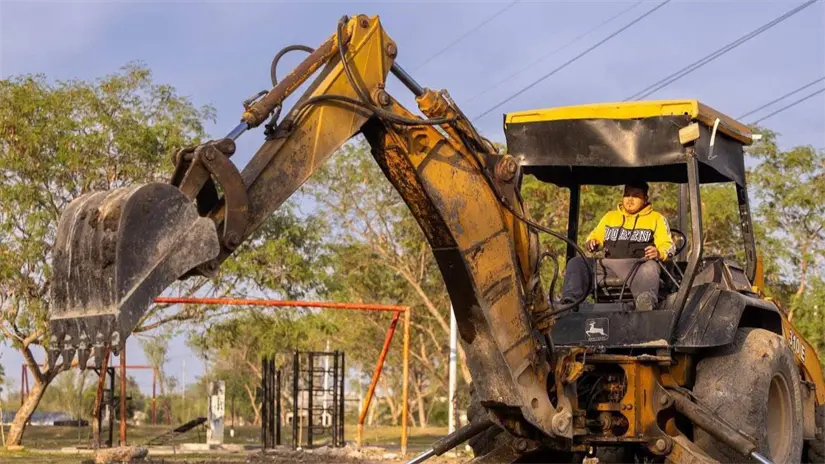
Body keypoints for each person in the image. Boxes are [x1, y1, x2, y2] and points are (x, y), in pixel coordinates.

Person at [560, 181, 674, 311]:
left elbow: (668, 246)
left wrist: (659, 252)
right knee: (577, 263)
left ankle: (645, 304)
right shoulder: (610, 217)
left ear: (645, 199)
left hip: (637, 266)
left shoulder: (656, 219)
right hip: (606, 266)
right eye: (627, 195)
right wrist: (593, 242)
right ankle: (569, 303)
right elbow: (595, 235)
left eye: (636, 195)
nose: (630, 199)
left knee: (651, 267)